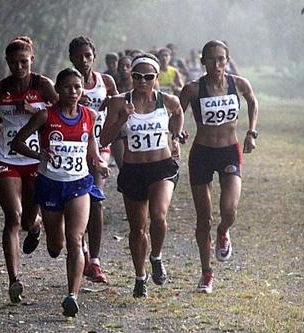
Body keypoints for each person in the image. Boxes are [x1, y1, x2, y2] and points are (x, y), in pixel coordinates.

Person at [11, 68, 110, 317]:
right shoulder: (45, 116)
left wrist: (98, 162)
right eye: (67, 87)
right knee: (56, 245)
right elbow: (17, 142)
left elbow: (91, 147)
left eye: (77, 87)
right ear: (58, 89)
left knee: (75, 240)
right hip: (50, 184)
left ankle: (72, 296)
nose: (73, 92)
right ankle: (44, 229)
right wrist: (39, 155)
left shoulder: (89, 115)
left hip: (79, 185)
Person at [0, 36, 58, 304]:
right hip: (6, 158)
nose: (19, 67)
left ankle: (36, 226)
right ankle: (13, 280)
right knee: (13, 217)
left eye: (24, 62)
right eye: (13, 62)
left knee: (28, 220)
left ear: (32, 60)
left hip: (34, 160)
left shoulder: (42, 85)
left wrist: (33, 111)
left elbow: (59, 112)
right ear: (7, 62)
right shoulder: (0, 88)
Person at [100, 53, 184, 298]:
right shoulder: (118, 103)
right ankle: (140, 277)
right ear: (131, 76)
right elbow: (104, 139)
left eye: (149, 77)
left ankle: (156, 257)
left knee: (158, 216)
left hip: (162, 167)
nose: (143, 81)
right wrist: (122, 119)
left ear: (157, 78)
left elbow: (178, 113)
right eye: (137, 76)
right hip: (133, 170)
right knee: (137, 229)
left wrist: (176, 137)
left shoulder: (167, 100)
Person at [179, 40, 258, 293]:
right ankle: (206, 273)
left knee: (230, 210)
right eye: (211, 59)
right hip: (201, 153)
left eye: (221, 59)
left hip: (229, 152)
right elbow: (176, 115)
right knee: (204, 218)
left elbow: (253, 102)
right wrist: (177, 134)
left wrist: (251, 132)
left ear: (227, 59)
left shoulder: (239, 84)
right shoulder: (192, 89)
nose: (216, 64)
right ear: (203, 61)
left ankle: (224, 231)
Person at [69, 36, 119, 283]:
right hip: (74, 149)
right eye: (78, 56)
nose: (83, 60)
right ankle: (83, 251)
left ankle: (96, 261)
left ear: (94, 56)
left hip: (100, 148)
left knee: (96, 199)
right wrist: (74, 100)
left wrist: (111, 104)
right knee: (79, 203)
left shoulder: (105, 81)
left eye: (87, 55)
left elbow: (120, 107)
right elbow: (55, 109)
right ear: (71, 58)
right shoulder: (68, 83)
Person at [111, 55, 134, 168]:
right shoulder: (113, 85)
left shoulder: (139, 86)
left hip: (135, 129)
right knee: (122, 166)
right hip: (118, 129)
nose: (124, 68)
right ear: (117, 68)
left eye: (127, 66)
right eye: (121, 66)